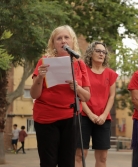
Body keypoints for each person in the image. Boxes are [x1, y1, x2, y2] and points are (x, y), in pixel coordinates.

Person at [30, 25, 91, 167]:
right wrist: (39, 77)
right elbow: (34, 94)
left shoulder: (80, 64)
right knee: (48, 162)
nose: (63, 41)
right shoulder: (44, 61)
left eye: (66, 37)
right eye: (59, 38)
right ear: (53, 43)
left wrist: (78, 88)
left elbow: (87, 97)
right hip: (46, 119)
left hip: (70, 118)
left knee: (68, 162)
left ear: (72, 41)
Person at [75, 41, 118, 167]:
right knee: (80, 154)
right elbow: (80, 95)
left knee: (103, 158)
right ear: (90, 53)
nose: (101, 54)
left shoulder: (110, 73)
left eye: (104, 52)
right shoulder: (84, 71)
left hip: (103, 119)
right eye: (98, 51)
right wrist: (90, 114)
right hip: (84, 116)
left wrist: (104, 115)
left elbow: (112, 97)